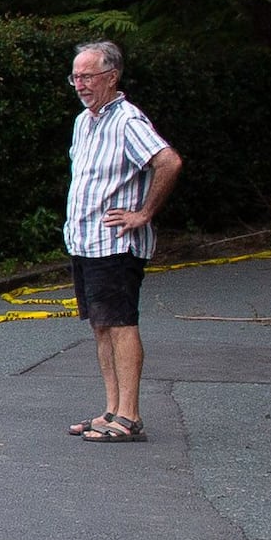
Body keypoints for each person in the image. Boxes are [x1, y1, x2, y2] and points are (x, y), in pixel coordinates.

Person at [61, 37, 182, 444]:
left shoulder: (127, 121)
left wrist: (143, 213)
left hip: (116, 244)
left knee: (121, 324)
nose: (80, 84)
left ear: (111, 78)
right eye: (75, 77)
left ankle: (129, 416)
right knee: (101, 326)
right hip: (87, 242)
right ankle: (111, 409)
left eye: (88, 76)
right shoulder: (85, 121)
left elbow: (168, 161)